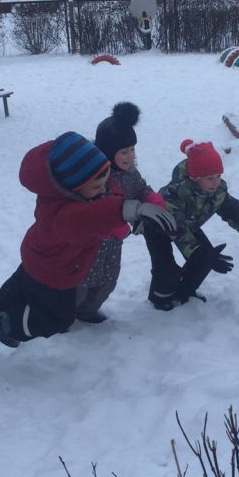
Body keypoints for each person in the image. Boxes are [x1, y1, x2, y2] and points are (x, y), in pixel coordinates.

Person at [0, 131, 176, 346]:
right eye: (97, 186)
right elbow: (89, 217)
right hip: (53, 272)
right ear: (73, 186)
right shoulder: (63, 215)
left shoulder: (70, 190)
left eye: (105, 183)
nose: (103, 190)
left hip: (38, 256)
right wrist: (127, 210)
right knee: (57, 320)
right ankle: (5, 325)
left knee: (21, 285)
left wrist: (136, 208)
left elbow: (106, 197)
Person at [143, 139, 239, 310]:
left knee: (205, 260)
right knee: (167, 270)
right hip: (158, 227)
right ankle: (160, 300)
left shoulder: (217, 191)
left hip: (188, 225)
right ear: (195, 178)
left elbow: (234, 212)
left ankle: (183, 293)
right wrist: (198, 252)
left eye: (218, 176)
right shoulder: (175, 194)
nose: (216, 182)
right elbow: (177, 229)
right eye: (210, 178)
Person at [75, 102, 166, 323]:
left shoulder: (130, 172)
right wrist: (123, 224)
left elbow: (141, 189)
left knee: (108, 281)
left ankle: (87, 312)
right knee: (81, 283)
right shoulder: (97, 177)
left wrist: (153, 203)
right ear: (108, 151)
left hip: (113, 246)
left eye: (132, 149)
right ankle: (65, 315)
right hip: (91, 244)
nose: (130, 156)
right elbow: (96, 209)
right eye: (124, 151)